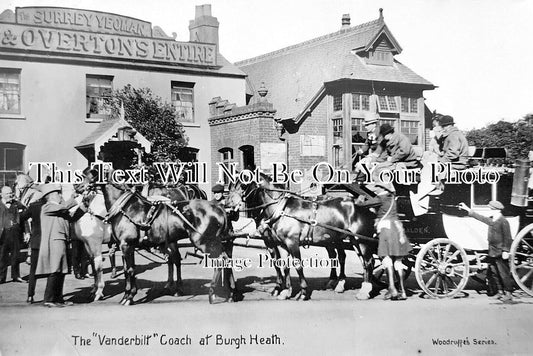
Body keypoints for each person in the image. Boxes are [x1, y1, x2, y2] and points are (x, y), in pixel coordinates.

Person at [356, 182, 411, 300]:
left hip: (386, 230)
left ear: (382, 188)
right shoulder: (392, 199)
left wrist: (359, 200)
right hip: (397, 229)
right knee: (398, 262)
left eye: (377, 186)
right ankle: (403, 291)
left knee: (387, 259)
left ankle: (392, 289)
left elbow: (361, 205)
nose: (375, 189)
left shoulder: (380, 199)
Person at [36, 184, 84, 307]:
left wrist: (84, 206)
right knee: (55, 269)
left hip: (62, 241)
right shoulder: (47, 207)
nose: (60, 195)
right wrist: (74, 197)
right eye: (58, 193)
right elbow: (64, 207)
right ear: (50, 196)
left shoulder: (59, 209)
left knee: (61, 271)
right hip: (54, 241)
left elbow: (72, 217)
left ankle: (58, 298)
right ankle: (49, 299)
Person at [458, 200, 514, 302]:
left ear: (497, 210)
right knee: (494, 273)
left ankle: (508, 293)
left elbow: (508, 238)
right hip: (492, 251)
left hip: (500, 252)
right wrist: (467, 209)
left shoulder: (503, 221)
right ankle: (500, 292)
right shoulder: (493, 220)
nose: (490, 211)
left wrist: (506, 251)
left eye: (491, 209)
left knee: (504, 273)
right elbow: (481, 218)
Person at [20, 195, 45, 303]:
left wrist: (27, 231)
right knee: (54, 271)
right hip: (50, 241)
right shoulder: (54, 205)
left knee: (33, 271)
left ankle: (30, 295)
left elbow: (21, 218)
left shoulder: (34, 206)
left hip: (37, 241)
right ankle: (53, 296)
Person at [0, 186, 26, 284]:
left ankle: (16, 276)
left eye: (11, 193)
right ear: (1, 194)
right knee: (2, 256)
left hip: (15, 233)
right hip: (3, 234)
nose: (10, 195)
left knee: (16, 255)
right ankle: (1, 277)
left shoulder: (17, 204)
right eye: (7, 193)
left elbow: (24, 219)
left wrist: (26, 232)